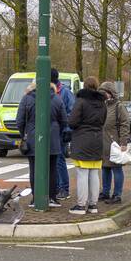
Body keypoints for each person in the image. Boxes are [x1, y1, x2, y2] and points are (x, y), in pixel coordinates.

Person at [15, 80, 67, 208]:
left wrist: (24, 134)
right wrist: (57, 133)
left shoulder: (26, 99)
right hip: (53, 139)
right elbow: (64, 120)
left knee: (34, 169)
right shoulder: (57, 99)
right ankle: (52, 197)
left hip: (33, 139)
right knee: (52, 169)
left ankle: (36, 197)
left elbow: (20, 120)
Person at [66, 76, 106, 215]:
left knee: (82, 173)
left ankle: (81, 205)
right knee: (94, 173)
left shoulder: (81, 101)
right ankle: (93, 205)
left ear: (85, 86)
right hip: (97, 140)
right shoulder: (103, 103)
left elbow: (72, 121)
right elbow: (103, 121)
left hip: (83, 139)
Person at [99, 81, 130, 204]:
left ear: (110, 93)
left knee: (116, 169)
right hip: (103, 143)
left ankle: (117, 194)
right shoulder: (102, 105)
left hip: (115, 144)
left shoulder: (119, 107)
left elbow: (124, 124)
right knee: (105, 168)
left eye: (104, 92)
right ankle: (105, 192)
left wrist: (123, 142)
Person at [52, 68, 75, 200]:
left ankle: (64, 188)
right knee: (53, 160)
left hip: (61, 132)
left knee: (59, 160)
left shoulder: (65, 92)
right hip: (52, 132)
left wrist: (66, 129)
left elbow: (71, 112)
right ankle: (55, 187)